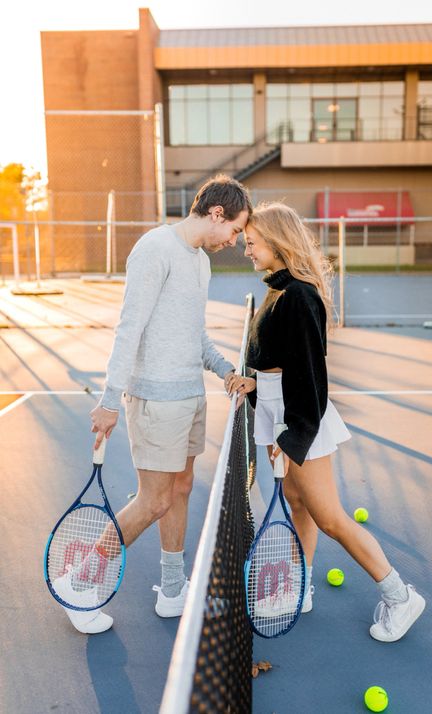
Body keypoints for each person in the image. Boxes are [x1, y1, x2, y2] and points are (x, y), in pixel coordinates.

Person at [57, 175, 252, 634]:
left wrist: (224, 369)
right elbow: (131, 328)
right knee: (154, 500)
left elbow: (193, 332)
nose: (236, 240)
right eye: (237, 229)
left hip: (190, 395)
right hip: (154, 400)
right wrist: (108, 401)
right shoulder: (154, 249)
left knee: (181, 489)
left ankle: (171, 589)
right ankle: (79, 583)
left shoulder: (200, 263)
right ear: (218, 214)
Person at [227, 202, 425, 643]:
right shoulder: (279, 289)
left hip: (302, 419)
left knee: (330, 516)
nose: (248, 251)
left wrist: (290, 433)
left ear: (277, 242)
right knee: (298, 504)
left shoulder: (299, 296)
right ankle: (301, 584)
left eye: (253, 243)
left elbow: (311, 378)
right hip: (284, 412)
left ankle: (400, 596)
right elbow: (280, 363)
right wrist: (255, 387)